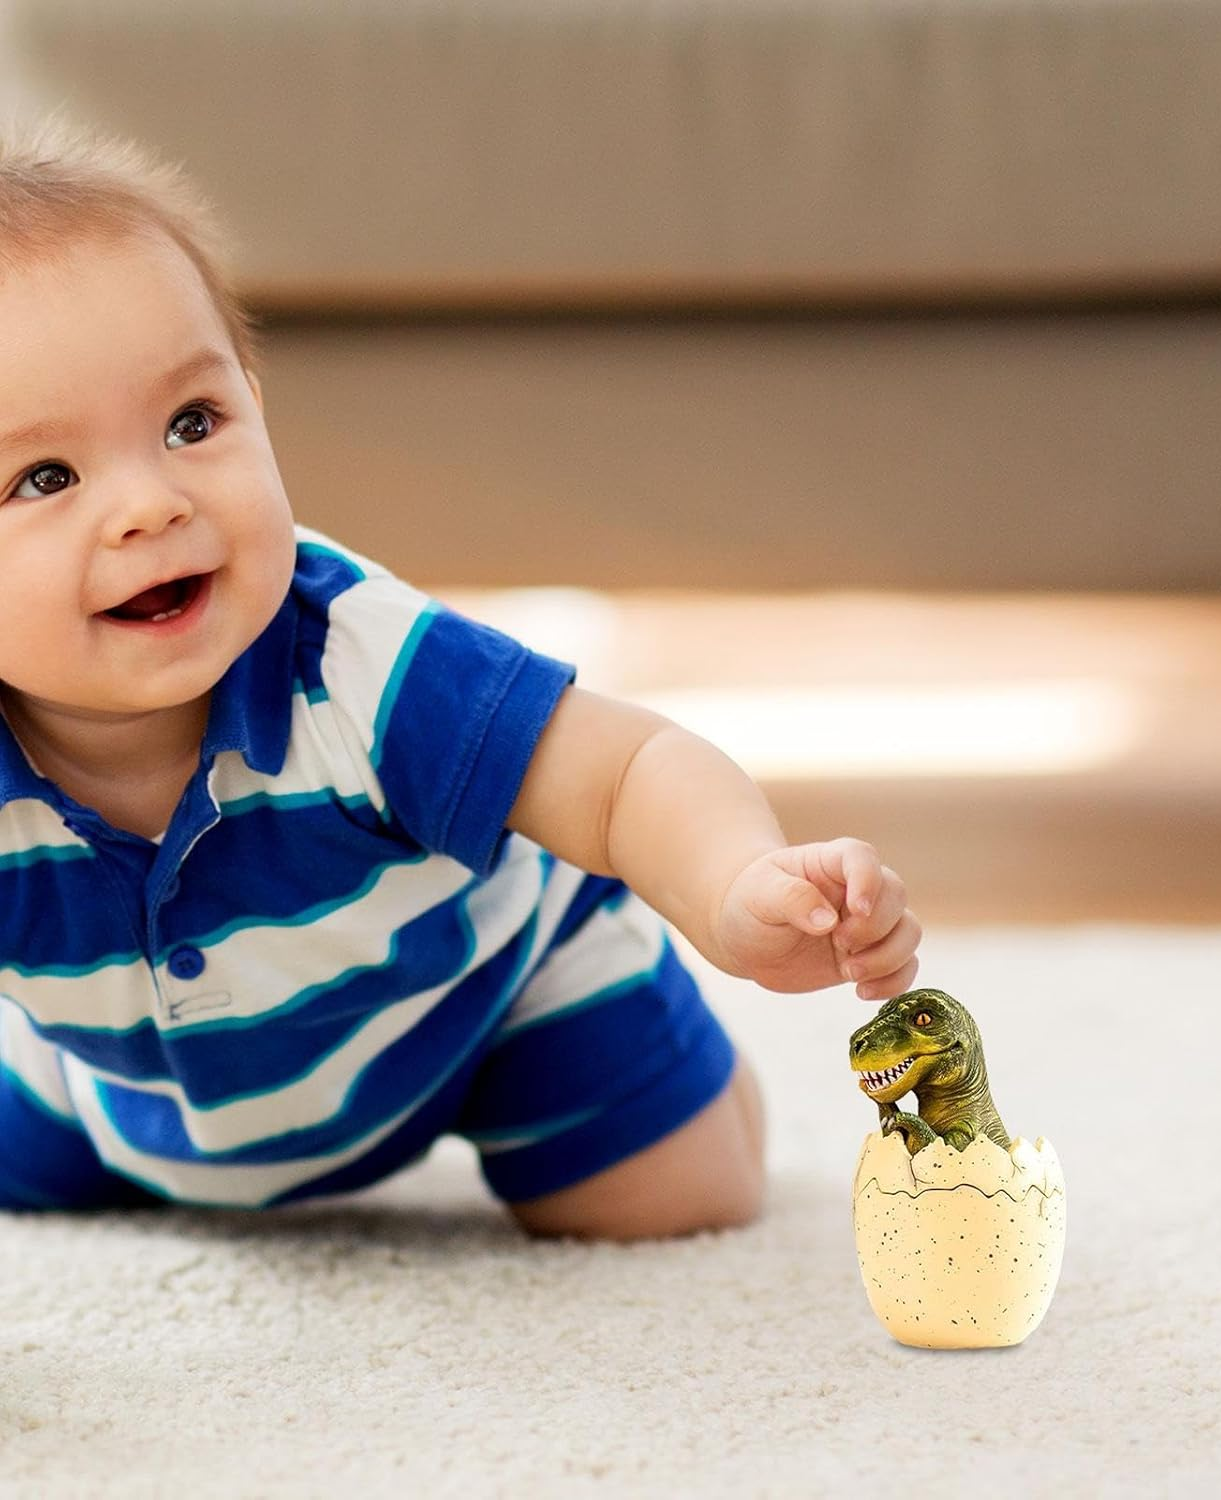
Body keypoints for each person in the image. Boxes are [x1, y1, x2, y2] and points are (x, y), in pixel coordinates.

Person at [0, 117, 921, 1238]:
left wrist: (734, 887)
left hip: (482, 1007)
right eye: (45, 476)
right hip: (110, 1091)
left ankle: (651, 1035)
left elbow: (624, 773)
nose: (152, 503)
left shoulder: (359, 664)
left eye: (193, 422)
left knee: (672, 1203)